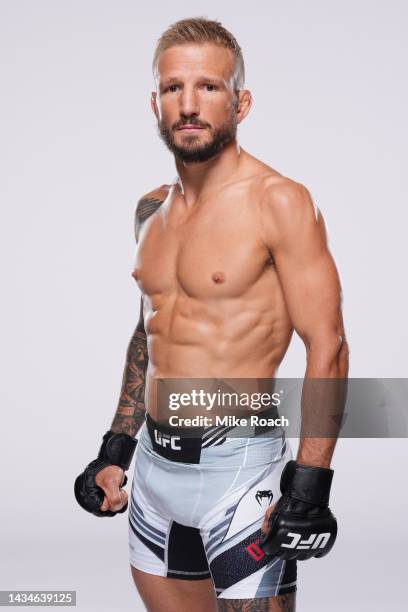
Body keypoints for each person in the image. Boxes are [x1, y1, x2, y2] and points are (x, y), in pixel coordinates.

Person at [74, 17, 349, 612]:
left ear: (241, 102)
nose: (189, 104)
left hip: (241, 475)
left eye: (209, 87)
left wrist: (310, 484)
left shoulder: (280, 201)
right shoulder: (151, 209)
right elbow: (148, 330)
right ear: (156, 102)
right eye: (174, 88)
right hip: (151, 475)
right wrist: (116, 447)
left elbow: (327, 344)